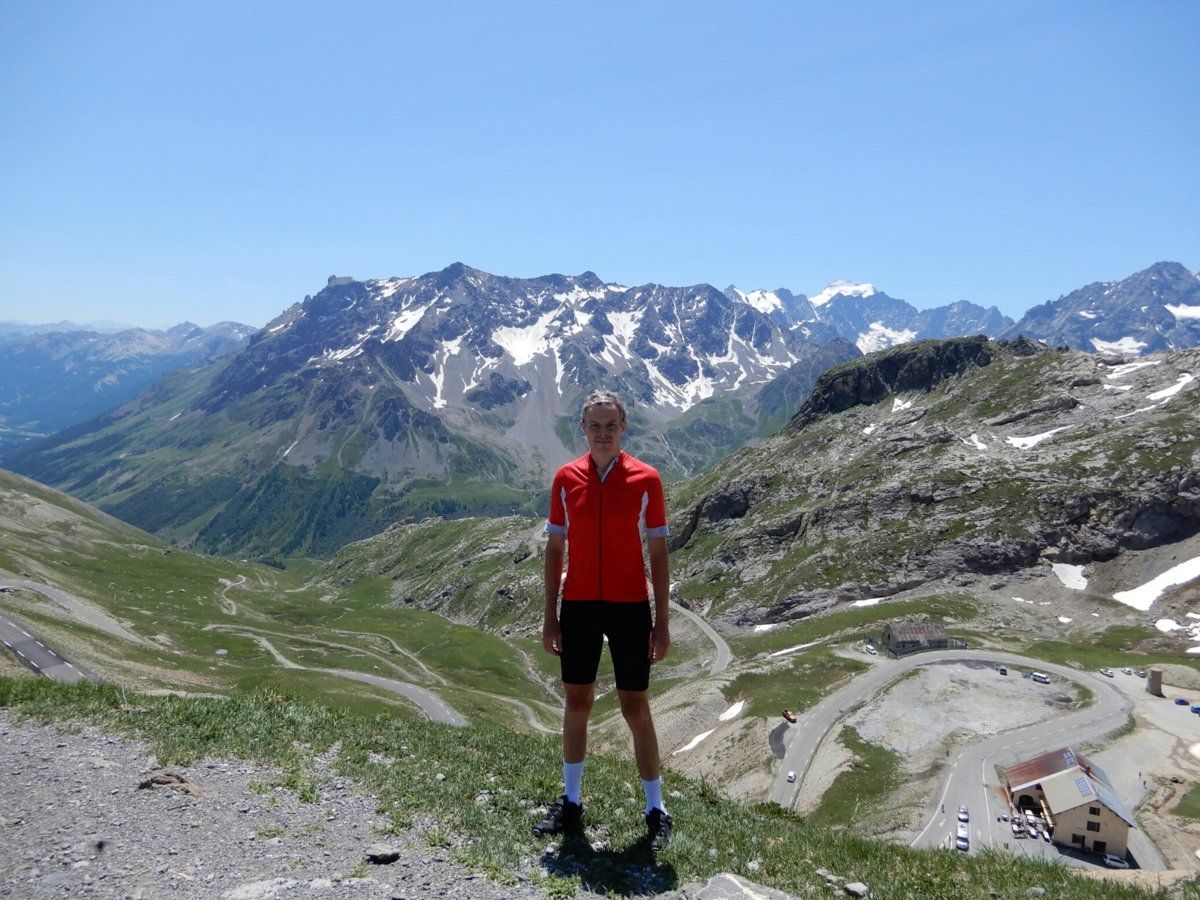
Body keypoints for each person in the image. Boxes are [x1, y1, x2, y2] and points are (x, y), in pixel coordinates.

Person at [534, 389, 673, 851]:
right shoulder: (564, 478)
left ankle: (656, 809)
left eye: (611, 425)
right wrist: (550, 616)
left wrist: (663, 622)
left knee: (636, 707)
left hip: (631, 606)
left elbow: (658, 552)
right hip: (579, 606)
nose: (602, 433)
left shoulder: (646, 480)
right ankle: (571, 803)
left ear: (623, 428)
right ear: (582, 429)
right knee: (577, 702)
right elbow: (555, 549)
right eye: (595, 425)